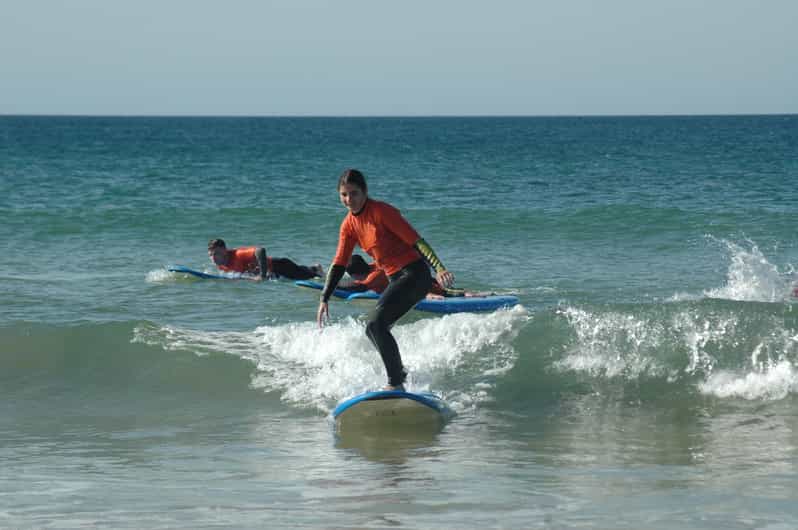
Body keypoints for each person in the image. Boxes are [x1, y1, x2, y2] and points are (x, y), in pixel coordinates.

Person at [317, 169, 455, 391]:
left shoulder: (382, 212)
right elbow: (340, 263)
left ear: (365, 192)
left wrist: (439, 268)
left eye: (354, 193)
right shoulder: (348, 225)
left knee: (375, 324)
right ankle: (400, 374)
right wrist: (325, 298)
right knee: (372, 329)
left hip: (415, 274)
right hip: (396, 279)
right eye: (344, 194)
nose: (349, 199)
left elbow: (416, 241)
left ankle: (396, 383)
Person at [342, 254, 470, 298]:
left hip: (424, 288)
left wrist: (334, 287)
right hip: (420, 281)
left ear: (356, 275)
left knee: (454, 293)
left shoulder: (373, 277)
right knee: (453, 291)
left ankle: (474, 295)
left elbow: (359, 288)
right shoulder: (374, 265)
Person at [207, 239, 323, 281]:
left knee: (312, 277)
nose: (213, 258)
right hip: (275, 273)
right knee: (301, 271)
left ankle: (316, 271)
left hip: (280, 267)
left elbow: (260, 250)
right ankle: (314, 268)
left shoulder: (238, 254)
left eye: (216, 254)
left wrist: (261, 275)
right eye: (211, 255)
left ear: (224, 250)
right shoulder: (220, 264)